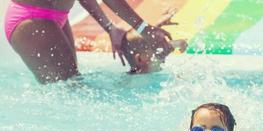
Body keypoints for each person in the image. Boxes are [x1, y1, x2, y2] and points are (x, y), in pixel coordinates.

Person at [4, 0, 173, 83]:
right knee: (68, 91)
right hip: (32, 18)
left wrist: (110, 27)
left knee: (72, 84)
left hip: (55, 17)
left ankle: (135, 66)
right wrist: (144, 28)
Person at [121, 9, 188, 74]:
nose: (160, 50)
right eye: (155, 48)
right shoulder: (138, 82)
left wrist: (156, 24)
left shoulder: (149, 64)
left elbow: (128, 41)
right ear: (139, 59)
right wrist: (179, 43)